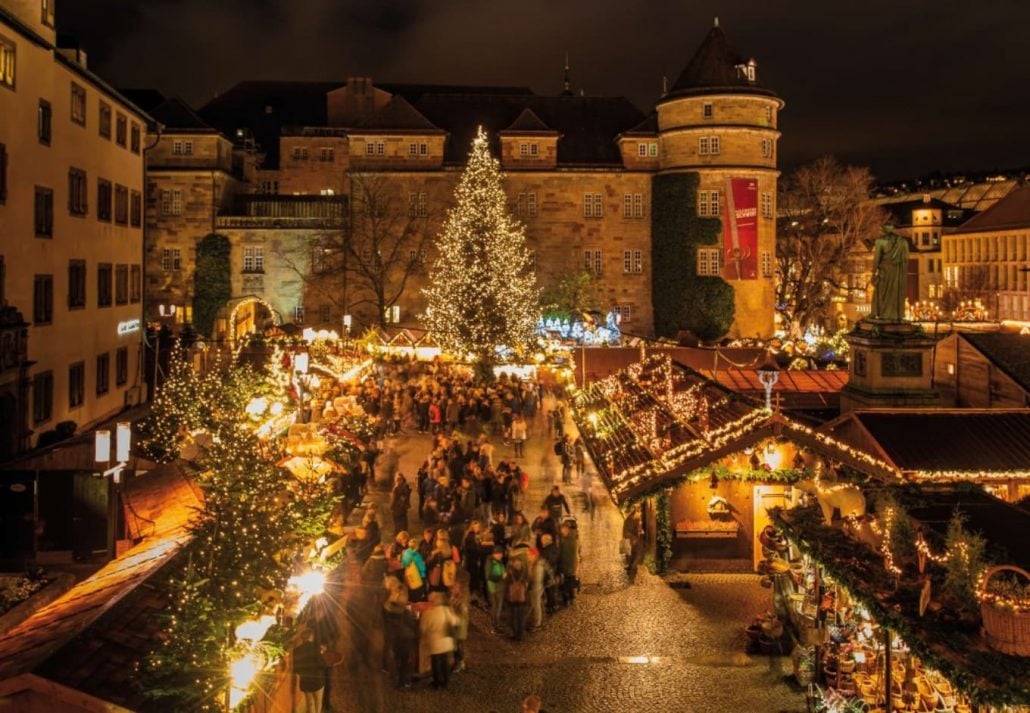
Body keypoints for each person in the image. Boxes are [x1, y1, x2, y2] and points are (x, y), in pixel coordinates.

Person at [419, 591, 459, 689]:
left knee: (436, 663)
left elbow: (423, 628)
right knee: (445, 662)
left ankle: (437, 682)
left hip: (435, 644)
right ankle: (445, 682)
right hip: (446, 643)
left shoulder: (428, 613)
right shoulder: (446, 610)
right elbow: (455, 621)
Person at [382, 584, 418, 689]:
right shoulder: (406, 614)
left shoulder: (395, 616)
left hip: (401, 643)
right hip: (404, 642)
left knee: (402, 663)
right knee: (404, 663)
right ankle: (404, 681)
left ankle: (402, 682)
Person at [871, 222, 909, 322]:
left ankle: (881, 314)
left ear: (884, 229)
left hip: (884, 271)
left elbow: (876, 259)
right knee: (895, 292)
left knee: (880, 292)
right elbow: (905, 259)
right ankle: (896, 315)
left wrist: (873, 273)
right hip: (897, 271)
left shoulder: (880, 241)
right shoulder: (902, 241)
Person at [293, 628, 326, 713]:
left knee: (309, 703)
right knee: (318, 703)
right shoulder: (316, 649)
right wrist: (322, 654)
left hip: (305, 682)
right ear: (311, 637)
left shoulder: (296, 651)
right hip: (317, 681)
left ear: (302, 638)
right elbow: (322, 665)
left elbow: (296, 669)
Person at [504, 557, 529, 641]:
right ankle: (520, 635)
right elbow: (528, 585)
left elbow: (506, 584)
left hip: (512, 599)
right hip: (522, 599)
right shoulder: (524, 573)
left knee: (513, 617)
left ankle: (514, 634)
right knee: (521, 617)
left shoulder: (509, 573)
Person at [485, 545, 507, 630]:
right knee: (495, 606)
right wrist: (501, 577)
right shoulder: (490, 562)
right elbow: (489, 576)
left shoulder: (499, 562)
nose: (499, 555)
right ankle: (494, 625)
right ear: (493, 554)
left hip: (500, 587)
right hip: (494, 588)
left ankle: (496, 623)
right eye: (497, 554)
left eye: (500, 554)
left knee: (498, 607)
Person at [557, 522, 580, 606]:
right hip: (567, 565)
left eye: (564, 529)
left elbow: (572, 554)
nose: (562, 530)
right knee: (567, 582)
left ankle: (570, 598)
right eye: (562, 529)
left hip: (569, 565)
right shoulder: (564, 539)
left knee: (568, 582)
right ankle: (569, 598)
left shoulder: (570, 540)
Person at [528, 548, 550, 632]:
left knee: (536, 605)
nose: (528, 557)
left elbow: (534, 578)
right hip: (540, 586)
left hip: (536, 587)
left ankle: (537, 624)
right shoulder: (541, 562)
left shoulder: (537, 565)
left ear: (534, 555)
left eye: (529, 555)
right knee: (538, 603)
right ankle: (541, 619)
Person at [623, 506, 644, 584]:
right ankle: (632, 573)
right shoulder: (637, 517)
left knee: (628, 555)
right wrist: (639, 534)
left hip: (625, 537)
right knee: (636, 555)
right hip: (632, 538)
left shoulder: (627, 518)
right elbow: (638, 530)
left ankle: (629, 569)